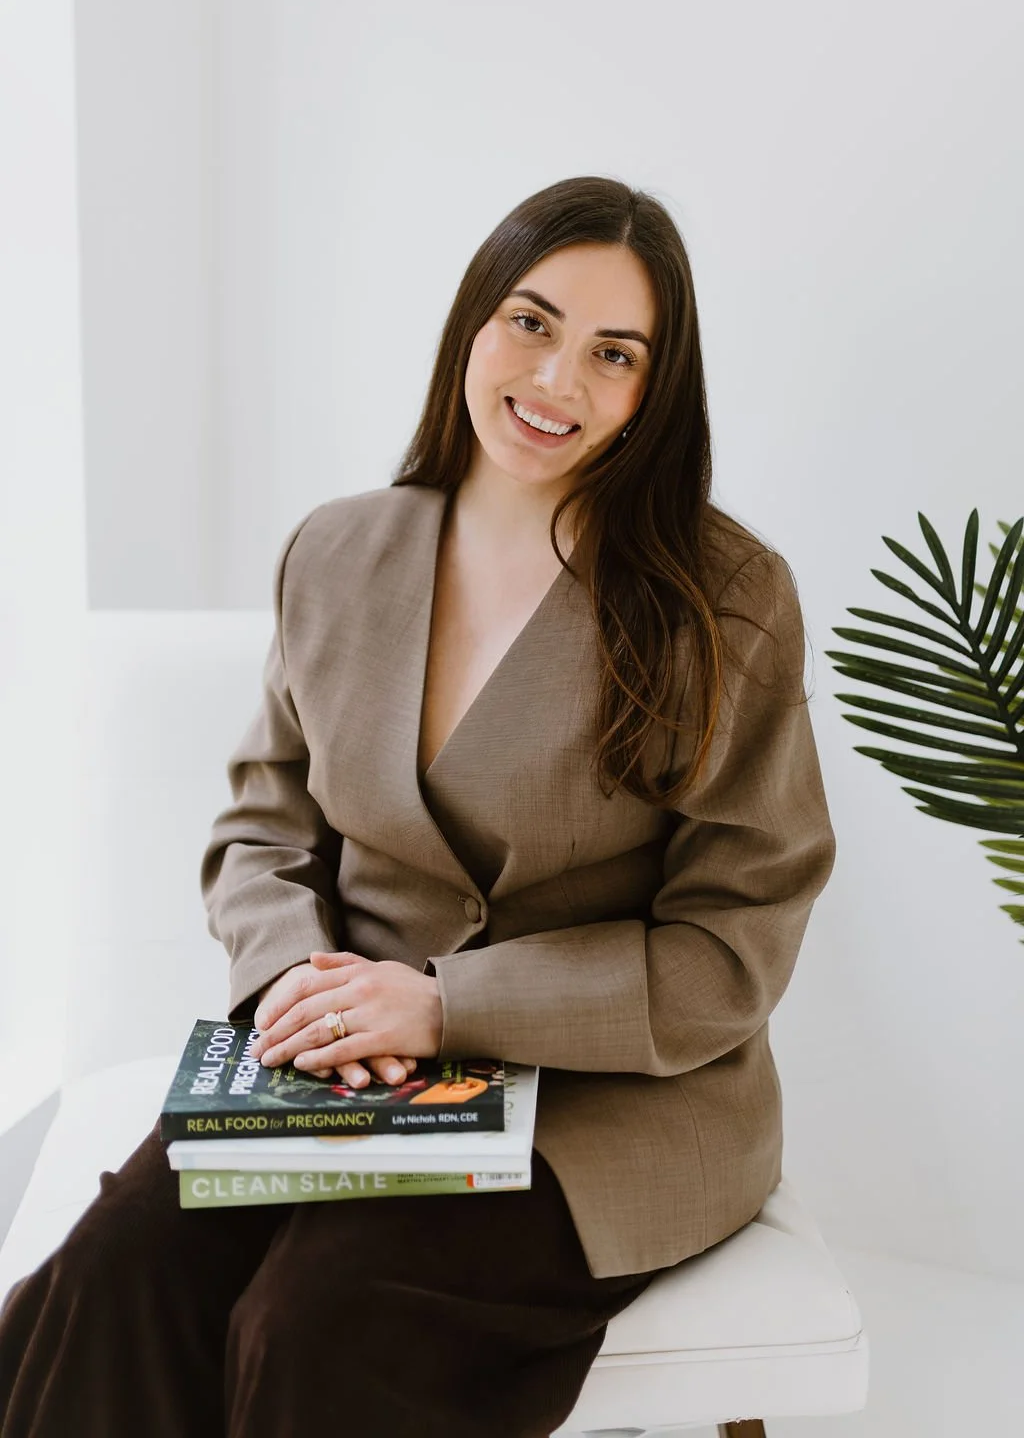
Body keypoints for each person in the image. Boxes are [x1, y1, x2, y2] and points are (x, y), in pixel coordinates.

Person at [0, 175, 837, 1438]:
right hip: (348, 1054)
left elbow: (732, 949)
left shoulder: (725, 602)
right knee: (117, 1272)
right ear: (471, 324)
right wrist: (300, 980)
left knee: (313, 1325)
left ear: (654, 392)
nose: (557, 380)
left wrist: (450, 1004)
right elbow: (261, 822)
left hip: (607, 1105)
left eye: (615, 355)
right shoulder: (337, 552)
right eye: (531, 322)